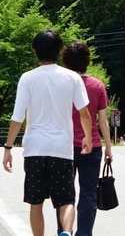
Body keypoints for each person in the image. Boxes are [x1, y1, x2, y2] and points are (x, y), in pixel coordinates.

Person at [2, 29, 92, 236]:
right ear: (60, 51)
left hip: (35, 149)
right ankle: (67, 233)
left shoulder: (27, 78)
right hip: (61, 149)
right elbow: (84, 113)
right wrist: (87, 137)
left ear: (34, 51)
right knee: (66, 200)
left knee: (35, 202)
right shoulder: (72, 77)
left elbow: (18, 117)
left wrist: (8, 147)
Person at [57, 41, 113, 236]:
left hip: (64, 147)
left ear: (65, 61)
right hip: (93, 147)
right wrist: (108, 148)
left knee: (65, 194)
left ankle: (63, 231)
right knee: (88, 193)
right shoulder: (97, 86)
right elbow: (103, 120)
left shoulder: (60, 84)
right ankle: (84, 233)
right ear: (87, 61)